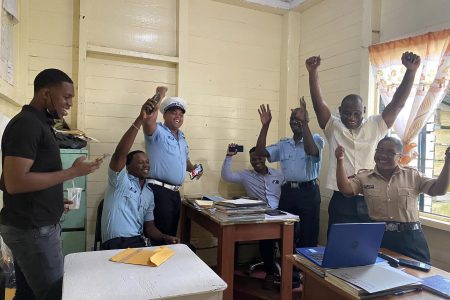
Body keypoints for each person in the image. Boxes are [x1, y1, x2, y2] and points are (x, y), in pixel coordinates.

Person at [0, 69, 102, 300]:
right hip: (33, 230)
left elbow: (5, 180)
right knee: (55, 294)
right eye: (66, 97)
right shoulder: (27, 125)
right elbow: (14, 182)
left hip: (32, 225)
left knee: (27, 293)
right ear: (46, 94)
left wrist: (53, 198)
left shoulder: (39, 124)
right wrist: (72, 172)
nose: (70, 104)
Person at [305, 52, 421, 233]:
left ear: (364, 111)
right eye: (346, 113)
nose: (351, 118)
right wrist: (313, 73)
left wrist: (410, 72)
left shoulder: (376, 124)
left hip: (372, 198)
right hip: (342, 200)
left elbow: (398, 104)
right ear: (339, 111)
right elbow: (317, 103)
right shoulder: (333, 126)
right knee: (338, 247)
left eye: (356, 113)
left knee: (370, 247)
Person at [335, 137, 450, 263]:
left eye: (390, 152)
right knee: (378, 277)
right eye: (380, 150)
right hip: (379, 237)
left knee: (419, 278)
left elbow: (439, 190)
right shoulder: (364, 177)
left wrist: (448, 163)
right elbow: (346, 189)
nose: (383, 155)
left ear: (400, 156)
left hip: (410, 237)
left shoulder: (413, 175)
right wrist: (340, 161)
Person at [101, 87, 179, 250]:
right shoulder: (119, 181)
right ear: (127, 166)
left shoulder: (149, 193)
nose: (146, 165)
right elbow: (119, 155)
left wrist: (165, 237)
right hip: (116, 243)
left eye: (147, 162)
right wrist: (140, 119)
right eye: (140, 162)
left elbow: (149, 228)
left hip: (138, 243)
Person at [255, 97, 324, 248]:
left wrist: (304, 123)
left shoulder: (316, 139)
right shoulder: (284, 144)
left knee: (308, 236)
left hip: (308, 192)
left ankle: (304, 270)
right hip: (288, 193)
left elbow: (312, 152)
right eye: (293, 119)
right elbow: (260, 152)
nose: (295, 121)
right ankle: (289, 270)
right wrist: (265, 126)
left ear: (306, 120)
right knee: (285, 235)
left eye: (299, 118)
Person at [221, 144, 284, 289]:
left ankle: (290, 275)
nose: (256, 161)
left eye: (259, 157)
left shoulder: (279, 174)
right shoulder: (246, 175)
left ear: (265, 157)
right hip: (260, 215)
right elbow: (226, 176)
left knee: (288, 239)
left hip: (279, 213)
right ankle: (270, 273)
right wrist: (229, 156)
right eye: (252, 159)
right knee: (266, 240)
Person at [143, 96, 203, 245]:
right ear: (164, 115)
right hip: (158, 191)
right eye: (173, 112)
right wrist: (159, 94)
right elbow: (147, 120)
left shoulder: (181, 137)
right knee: (159, 236)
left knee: (170, 235)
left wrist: (193, 168)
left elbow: (184, 160)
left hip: (174, 194)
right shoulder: (157, 131)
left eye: (181, 114)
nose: (178, 116)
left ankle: (166, 265)